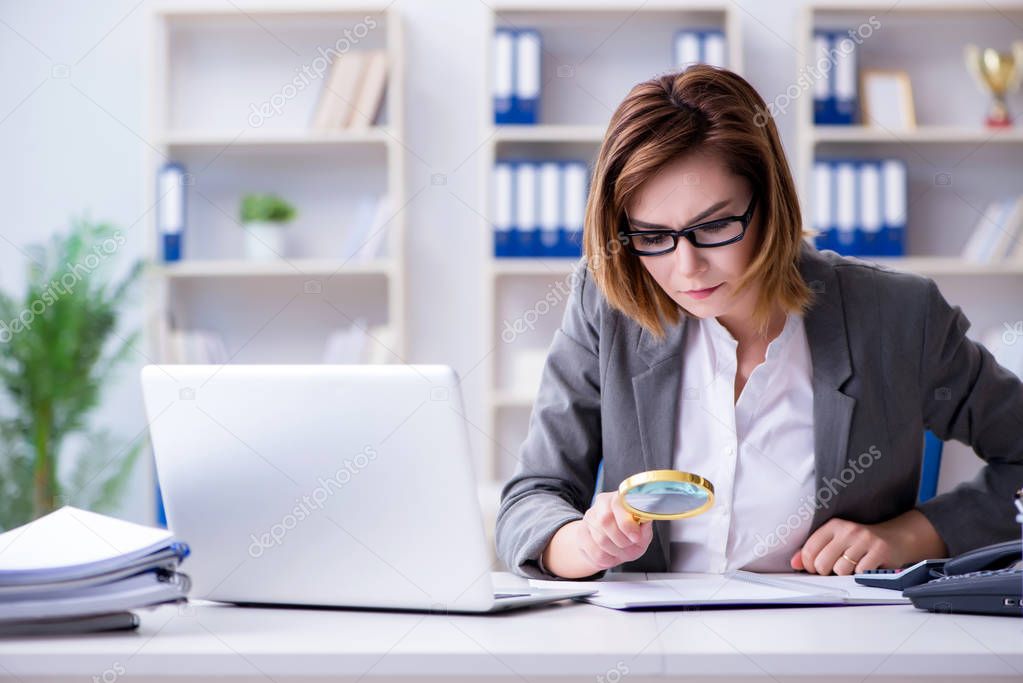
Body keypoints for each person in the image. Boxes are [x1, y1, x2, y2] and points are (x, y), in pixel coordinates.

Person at [495, 65, 1023, 581]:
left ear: (769, 204)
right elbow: (532, 497)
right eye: (652, 236)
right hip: (647, 652)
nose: (686, 267)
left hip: (835, 649)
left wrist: (914, 535)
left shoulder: (898, 316)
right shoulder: (606, 304)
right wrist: (583, 544)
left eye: (716, 225)